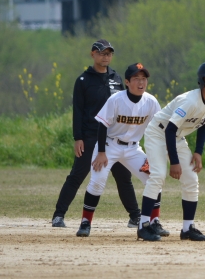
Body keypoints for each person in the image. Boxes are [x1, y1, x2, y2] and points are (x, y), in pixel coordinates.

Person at [51, 40, 141, 229]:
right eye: (101, 53)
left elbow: (125, 105)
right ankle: (58, 215)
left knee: (124, 178)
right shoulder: (83, 80)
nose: (105, 57)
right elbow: (78, 111)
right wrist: (78, 138)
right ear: (93, 54)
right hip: (91, 137)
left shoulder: (116, 78)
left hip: (113, 138)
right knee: (77, 175)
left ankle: (135, 217)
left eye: (109, 53)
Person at [136, 61, 205, 242]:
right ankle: (143, 225)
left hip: (176, 136)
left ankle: (187, 228)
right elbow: (169, 130)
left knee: (191, 178)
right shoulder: (190, 101)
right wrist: (175, 162)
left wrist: (198, 152)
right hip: (158, 133)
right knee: (158, 175)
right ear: (202, 81)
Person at [75, 63, 165, 238]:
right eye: (136, 79)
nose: (141, 82)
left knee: (154, 178)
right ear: (127, 82)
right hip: (109, 145)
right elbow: (102, 125)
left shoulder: (151, 101)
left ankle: (154, 222)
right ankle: (85, 222)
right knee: (97, 182)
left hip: (133, 148)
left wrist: (154, 156)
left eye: (144, 79)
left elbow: (157, 129)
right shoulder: (116, 99)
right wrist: (101, 153)